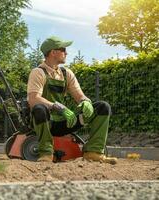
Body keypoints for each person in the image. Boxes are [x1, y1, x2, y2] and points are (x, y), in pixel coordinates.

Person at [27, 36, 117, 164]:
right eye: (63, 49)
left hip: (65, 122)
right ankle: (46, 153)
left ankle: (93, 152)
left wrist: (85, 101)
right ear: (53, 52)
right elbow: (33, 99)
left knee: (103, 107)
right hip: (45, 122)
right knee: (39, 108)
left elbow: (80, 96)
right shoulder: (38, 72)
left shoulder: (66, 73)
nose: (66, 53)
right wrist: (58, 107)